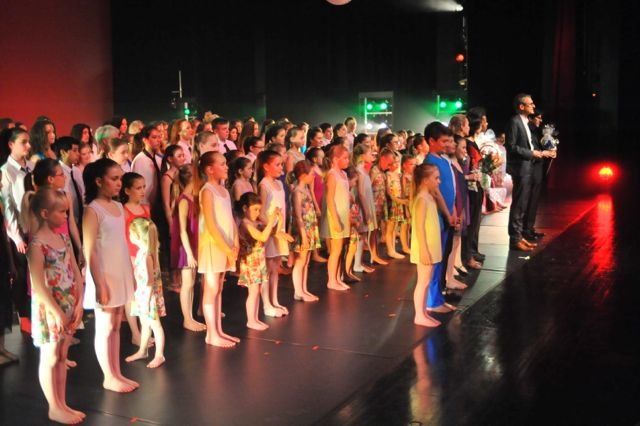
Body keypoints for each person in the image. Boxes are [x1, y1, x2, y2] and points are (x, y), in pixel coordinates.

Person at [26, 188, 85, 424]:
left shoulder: (63, 239)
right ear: (44, 213)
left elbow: (76, 272)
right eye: (61, 212)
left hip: (68, 304)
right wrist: (57, 312)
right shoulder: (37, 245)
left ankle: (61, 403)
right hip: (50, 309)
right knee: (50, 356)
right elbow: (38, 286)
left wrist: (79, 302)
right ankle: (54, 406)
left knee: (62, 354)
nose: (65, 216)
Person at [82, 158, 138, 392]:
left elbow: (122, 243)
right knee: (105, 326)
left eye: (120, 178)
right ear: (99, 181)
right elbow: (90, 249)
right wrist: (99, 283)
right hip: (104, 274)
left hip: (119, 270)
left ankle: (116, 372)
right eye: (114, 179)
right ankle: (108, 375)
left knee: (115, 325)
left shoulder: (117, 207)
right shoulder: (92, 210)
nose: (119, 183)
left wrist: (130, 273)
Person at [196, 151, 240, 347]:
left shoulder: (224, 191)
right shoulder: (207, 191)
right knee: (211, 287)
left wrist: (235, 242)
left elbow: (230, 219)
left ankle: (218, 330)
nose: (226, 166)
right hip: (213, 245)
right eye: (222, 164)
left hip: (226, 244)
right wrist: (226, 248)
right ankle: (211, 333)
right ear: (210, 169)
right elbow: (211, 224)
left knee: (219, 288)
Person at [505, 94, 555, 251]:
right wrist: (532, 153)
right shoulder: (515, 121)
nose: (533, 106)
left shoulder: (525, 122)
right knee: (519, 204)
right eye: (530, 104)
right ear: (521, 106)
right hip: (521, 168)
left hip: (527, 168)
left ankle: (519, 236)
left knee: (523, 204)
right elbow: (511, 147)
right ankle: (515, 239)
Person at [423, 122, 457, 313]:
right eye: (443, 141)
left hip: (446, 216)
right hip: (437, 217)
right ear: (431, 141)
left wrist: (453, 211)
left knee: (442, 258)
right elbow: (436, 193)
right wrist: (447, 213)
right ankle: (432, 301)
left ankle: (438, 298)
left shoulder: (443, 160)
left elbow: (450, 188)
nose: (447, 144)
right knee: (435, 261)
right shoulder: (429, 163)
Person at [125, 218, 166, 368]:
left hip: (148, 297)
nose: (129, 235)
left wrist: (146, 302)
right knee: (144, 324)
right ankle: (142, 350)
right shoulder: (141, 253)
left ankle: (159, 355)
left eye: (130, 233)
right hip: (142, 295)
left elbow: (150, 281)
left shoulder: (147, 256)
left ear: (137, 235)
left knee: (155, 325)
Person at [257, 150, 294, 316]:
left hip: (279, 231)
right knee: (267, 267)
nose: (281, 168)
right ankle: (267, 304)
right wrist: (272, 229)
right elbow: (261, 213)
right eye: (277, 165)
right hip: (270, 232)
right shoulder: (264, 185)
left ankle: (275, 300)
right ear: (266, 166)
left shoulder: (279, 183)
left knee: (276, 267)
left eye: (281, 164)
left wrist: (281, 230)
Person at [236, 192, 280, 330]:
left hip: (259, 259)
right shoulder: (245, 223)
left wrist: (277, 219)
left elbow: (272, 232)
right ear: (245, 208)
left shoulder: (256, 222)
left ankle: (255, 318)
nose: (257, 213)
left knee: (258, 289)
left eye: (259, 210)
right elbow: (262, 237)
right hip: (251, 260)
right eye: (255, 209)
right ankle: (251, 320)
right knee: (253, 291)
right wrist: (271, 220)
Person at [170, 165, 205, 332]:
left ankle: (190, 316)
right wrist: (190, 254)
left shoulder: (194, 198)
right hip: (185, 246)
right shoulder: (184, 200)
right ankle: (187, 318)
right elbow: (182, 230)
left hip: (194, 244)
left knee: (191, 282)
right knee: (188, 282)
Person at [410, 164, 442, 328]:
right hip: (425, 247)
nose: (439, 181)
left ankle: (423, 312)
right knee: (422, 281)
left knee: (426, 280)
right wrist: (423, 249)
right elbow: (419, 227)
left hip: (430, 245)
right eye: (436, 178)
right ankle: (419, 315)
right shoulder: (422, 199)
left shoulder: (428, 197)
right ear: (425, 180)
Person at [120, 172, 150, 345]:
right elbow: (123, 237)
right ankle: (135, 333)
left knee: (145, 294)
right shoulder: (124, 211)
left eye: (144, 187)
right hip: (131, 258)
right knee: (131, 295)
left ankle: (144, 330)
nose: (142, 191)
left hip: (145, 257)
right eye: (138, 188)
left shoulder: (146, 209)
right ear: (127, 190)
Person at [320, 144, 351, 291]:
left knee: (341, 249)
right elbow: (330, 199)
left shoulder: (343, 174)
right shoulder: (332, 175)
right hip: (335, 216)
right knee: (335, 250)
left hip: (343, 214)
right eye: (344, 158)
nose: (347, 160)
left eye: (348, 158)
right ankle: (331, 280)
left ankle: (337, 278)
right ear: (335, 159)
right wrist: (336, 219)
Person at [290, 160, 321, 301]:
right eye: (311, 174)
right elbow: (297, 215)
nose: (313, 176)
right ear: (303, 175)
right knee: (301, 260)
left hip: (310, 227)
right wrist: (303, 236)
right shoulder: (297, 192)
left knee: (306, 260)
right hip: (302, 230)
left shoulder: (306, 189)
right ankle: (298, 291)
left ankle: (303, 289)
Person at [351, 144, 378, 271]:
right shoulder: (359, 171)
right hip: (362, 207)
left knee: (363, 234)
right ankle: (356, 264)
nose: (371, 155)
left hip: (365, 205)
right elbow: (361, 193)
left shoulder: (363, 170)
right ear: (362, 156)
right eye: (368, 153)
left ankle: (359, 263)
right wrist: (366, 212)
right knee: (361, 235)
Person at [369, 148, 395, 265]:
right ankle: (373, 255)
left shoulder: (382, 173)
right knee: (372, 232)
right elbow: (367, 188)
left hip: (379, 207)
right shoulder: (373, 171)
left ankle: (375, 254)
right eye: (389, 163)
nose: (390, 166)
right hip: (372, 207)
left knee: (376, 231)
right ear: (383, 158)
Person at [385, 154, 409, 259]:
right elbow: (389, 192)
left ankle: (395, 249)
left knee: (395, 226)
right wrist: (399, 200)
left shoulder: (399, 175)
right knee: (390, 227)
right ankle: (390, 250)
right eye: (395, 162)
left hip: (399, 202)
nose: (397, 164)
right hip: (393, 203)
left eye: (398, 161)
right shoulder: (388, 175)